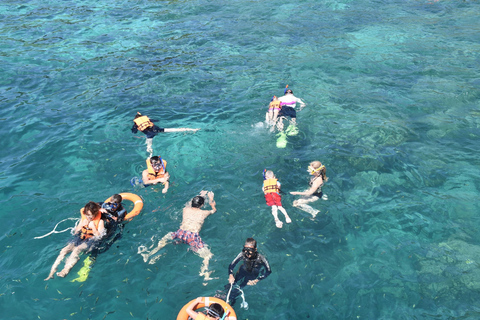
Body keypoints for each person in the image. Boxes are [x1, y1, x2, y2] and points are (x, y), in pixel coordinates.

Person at [138, 191, 216, 281]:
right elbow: (214, 210)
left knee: (163, 241)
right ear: (202, 205)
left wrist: (200, 195)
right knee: (207, 256)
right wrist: (211, 200)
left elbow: (189, 203)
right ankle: (205, 275)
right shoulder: (204, 213)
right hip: (192, 236)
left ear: (192, 203)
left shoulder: (185, 209)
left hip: (180, 233)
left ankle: (149, 254)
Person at [44, 202, 106, 280]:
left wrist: (93, 227)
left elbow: (99, 236)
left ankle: (65, 271)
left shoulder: (100, 222)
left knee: (77, 250)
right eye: (87, 215)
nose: (88, 217)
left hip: (91, 239)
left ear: (95, 214)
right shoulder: (84, 219)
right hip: (81, 236)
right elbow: (76, 231)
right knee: (64, 250)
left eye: (90, 216)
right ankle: (52, 272)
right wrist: (81, 226)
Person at [216, 238, 271, 306]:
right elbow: (231, 265)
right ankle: (223, 294)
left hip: (252, 275)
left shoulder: (261, 258)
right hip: (242, 271)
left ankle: (231, 301)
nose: (247, 253)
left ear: (255, 249)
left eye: (250, 250)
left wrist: (257, 280)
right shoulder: (242, 254)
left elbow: (268, 271)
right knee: (231, 283)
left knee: (240, 288)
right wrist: (230, 275)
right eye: (245, 250)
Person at [131, 112, 200, 154]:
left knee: (149, 146)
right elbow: (157, 120)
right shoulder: (148, 120)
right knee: (174, 130)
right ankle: (192, 129)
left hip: (149, 134)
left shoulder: (136, 124)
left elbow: (134, 132)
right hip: (157, 129)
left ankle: (150, 155)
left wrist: (135, 129)